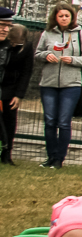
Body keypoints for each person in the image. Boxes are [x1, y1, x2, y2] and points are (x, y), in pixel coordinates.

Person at [34, 2, 82, 169]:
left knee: (63, 122)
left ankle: (59, 159)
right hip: (49, 83)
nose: (63, 18)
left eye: (67, 16)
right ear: (55, 17)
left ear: (72, 17)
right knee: (50, 121)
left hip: (71, 84)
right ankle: (50, 157)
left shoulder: (81, 34)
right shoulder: (47, 34)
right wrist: (46, 55)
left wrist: (74, 60)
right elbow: (37, 53)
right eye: (60, 16)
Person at [1, 16, 34, 164]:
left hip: (11, 88)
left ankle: (7, 154)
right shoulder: (3, 44)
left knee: (9, 121)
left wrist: (19, 95)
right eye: (13, 43)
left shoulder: (26, 48)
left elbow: (26, 72)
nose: (15, 46)